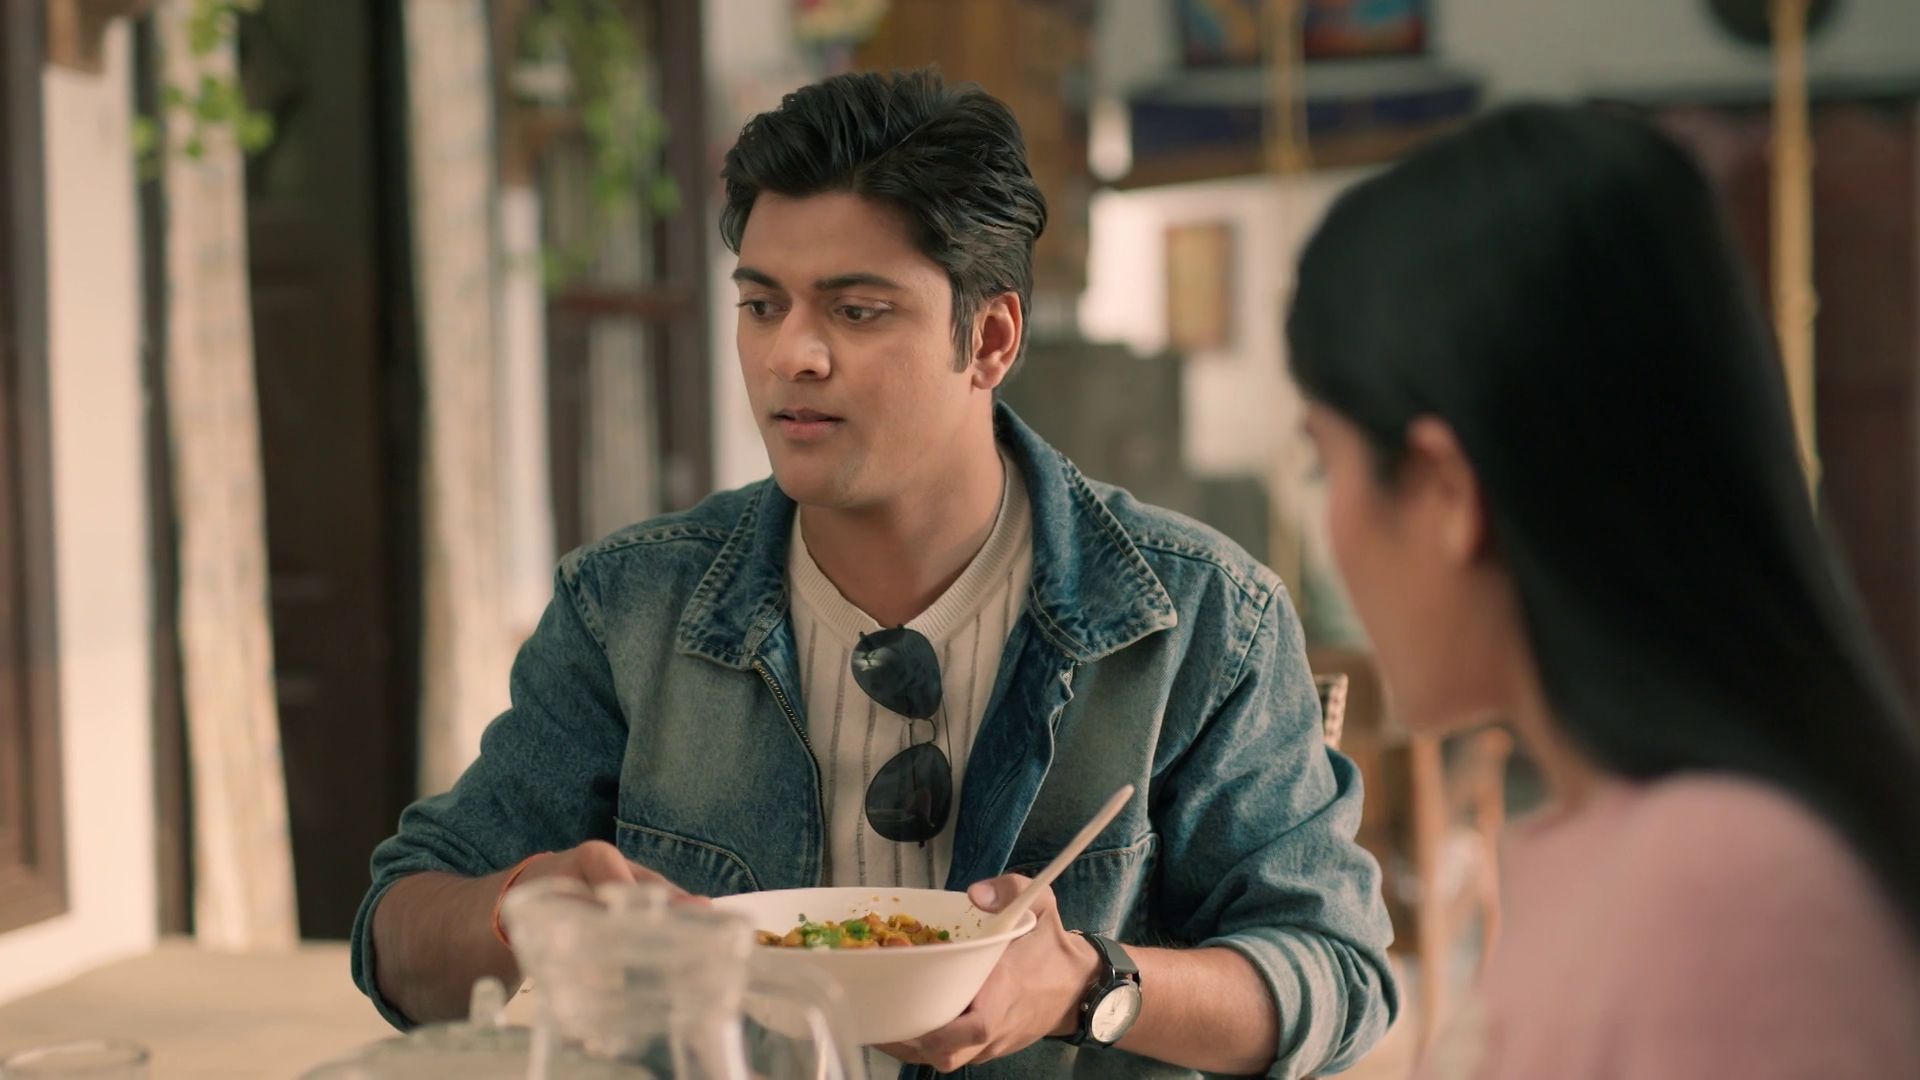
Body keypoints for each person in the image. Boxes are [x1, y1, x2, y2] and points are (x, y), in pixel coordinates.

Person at [351, 69, 1396, 1078]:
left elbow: (1337, 978)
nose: (790, 357)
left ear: (990, 338)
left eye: (855, 311)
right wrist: (526, 907)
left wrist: (1087, 986)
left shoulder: (1201, 618)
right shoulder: (627, 610)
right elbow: (398, 938)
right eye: (763, 305)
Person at [1288, 102, 1920, 1079]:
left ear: (1446, 491)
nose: (1330, 530)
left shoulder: (1720, 890)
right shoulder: (1626, 851)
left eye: (1324, 464)